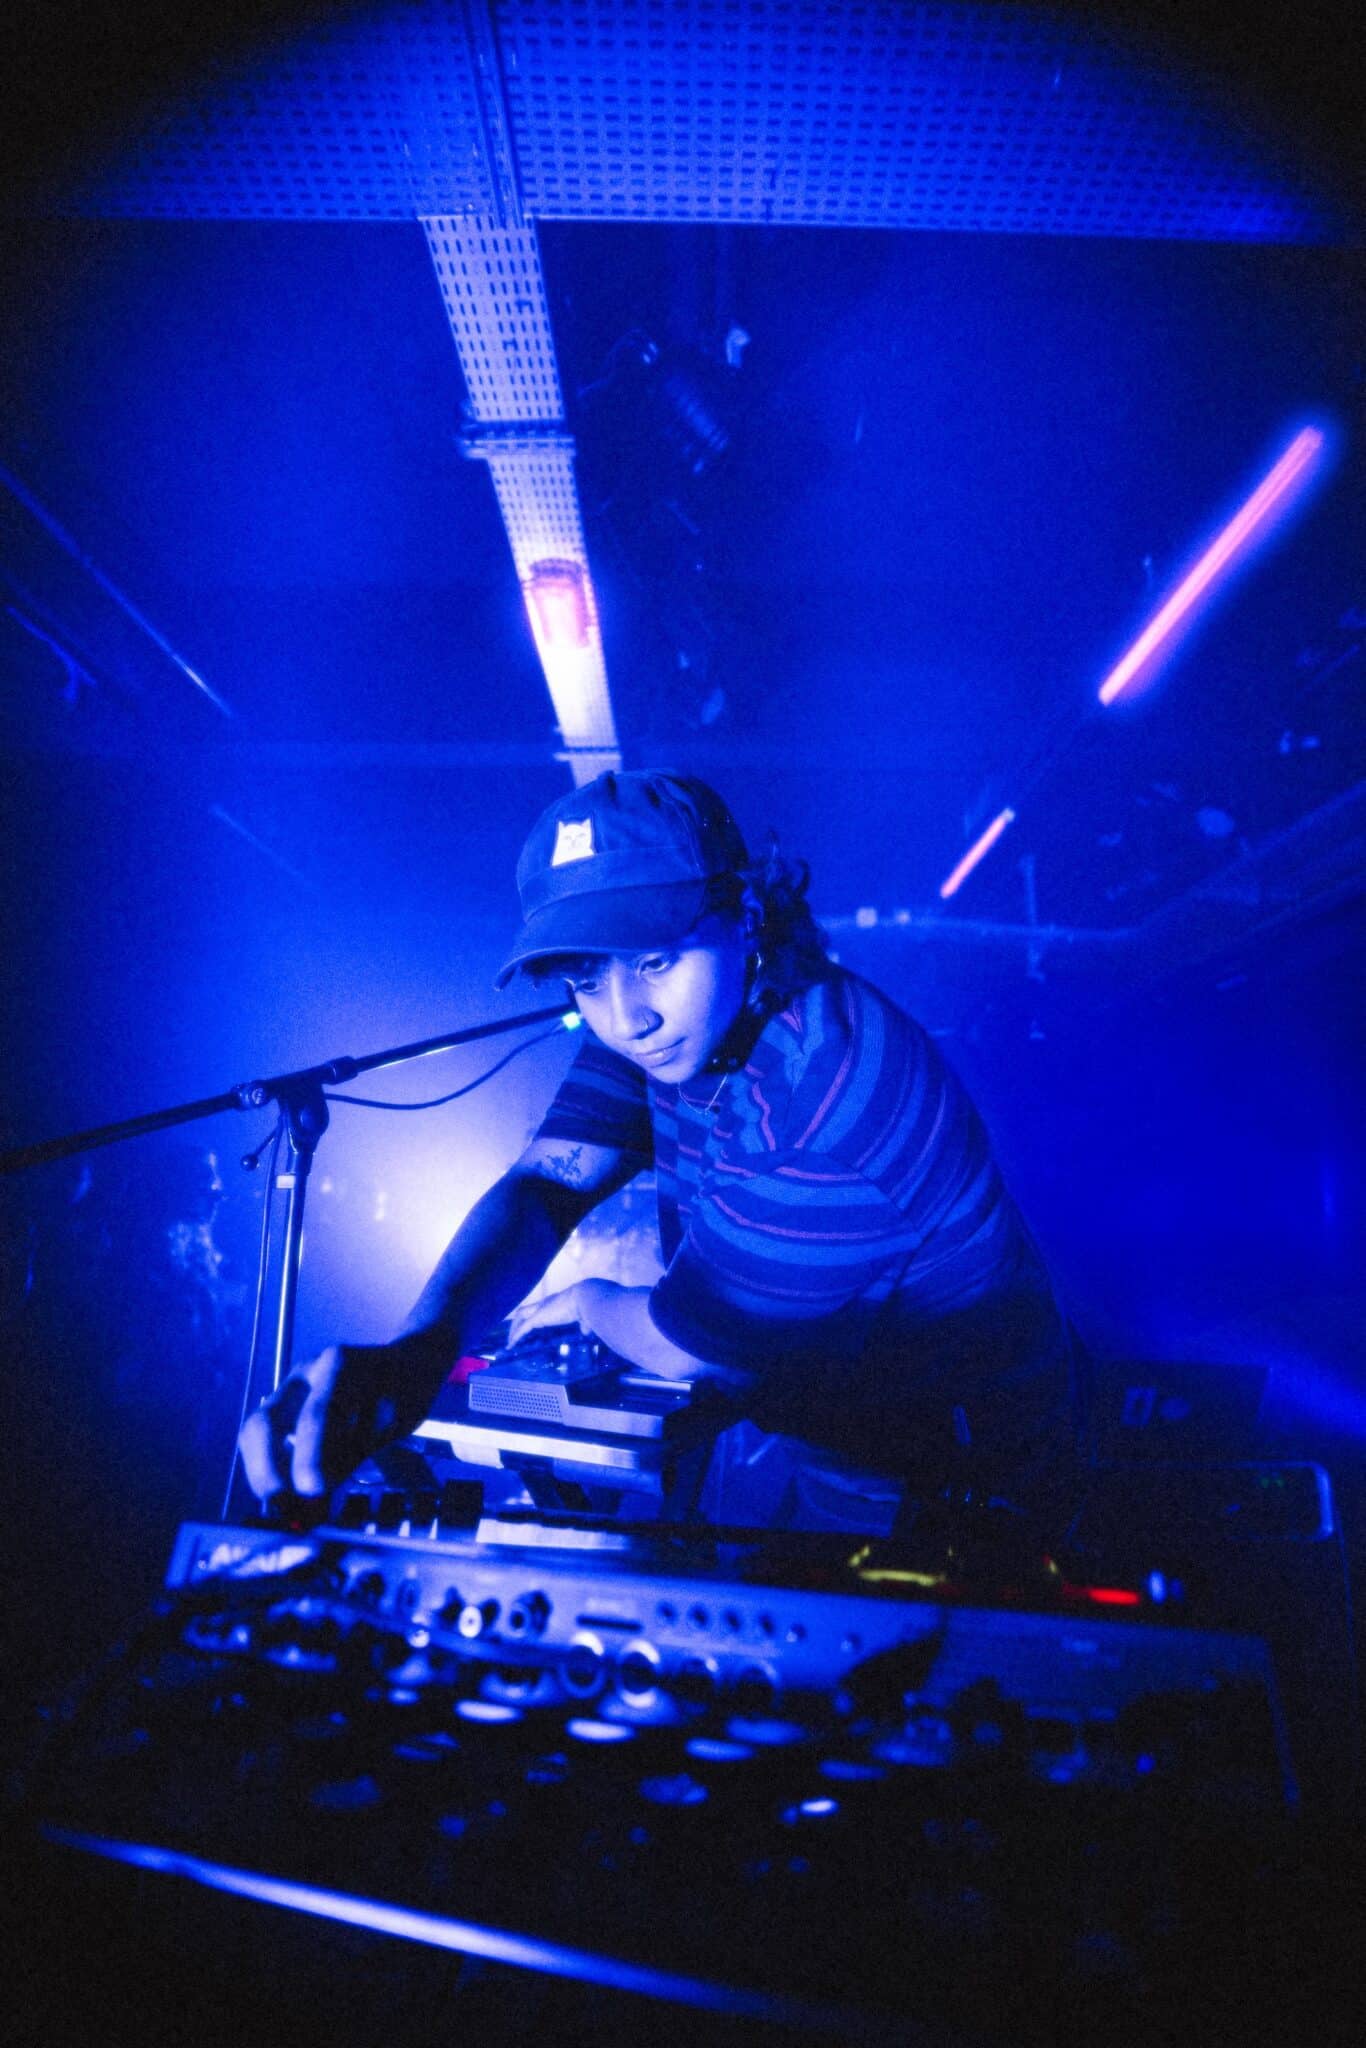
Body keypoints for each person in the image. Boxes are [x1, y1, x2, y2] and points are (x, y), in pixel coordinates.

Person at [240, 771, 1086, 1533]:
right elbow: (545, 1185)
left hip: (979, 1493)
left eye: (655, 960)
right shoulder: (669, 1030)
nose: (625, 1018)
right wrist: (417, 1352)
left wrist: (592, 1300)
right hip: (844, 1459)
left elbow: (690, 1345)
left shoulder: (827, 1101)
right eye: (587, 978)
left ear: (746, 916)